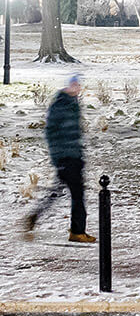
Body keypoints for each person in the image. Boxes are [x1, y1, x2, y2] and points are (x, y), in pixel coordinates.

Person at [22, 75, 95, 243]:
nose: (77, 88)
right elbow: (51, 133)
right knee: (77, 195)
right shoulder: (61, 105)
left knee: (56, 193)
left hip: (73, 156)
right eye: (74, 85)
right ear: (68, 86)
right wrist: (59, 157)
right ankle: (77, 232)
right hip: (66, 158)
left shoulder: (72, 104)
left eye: (79, 85)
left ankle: (34, 216)